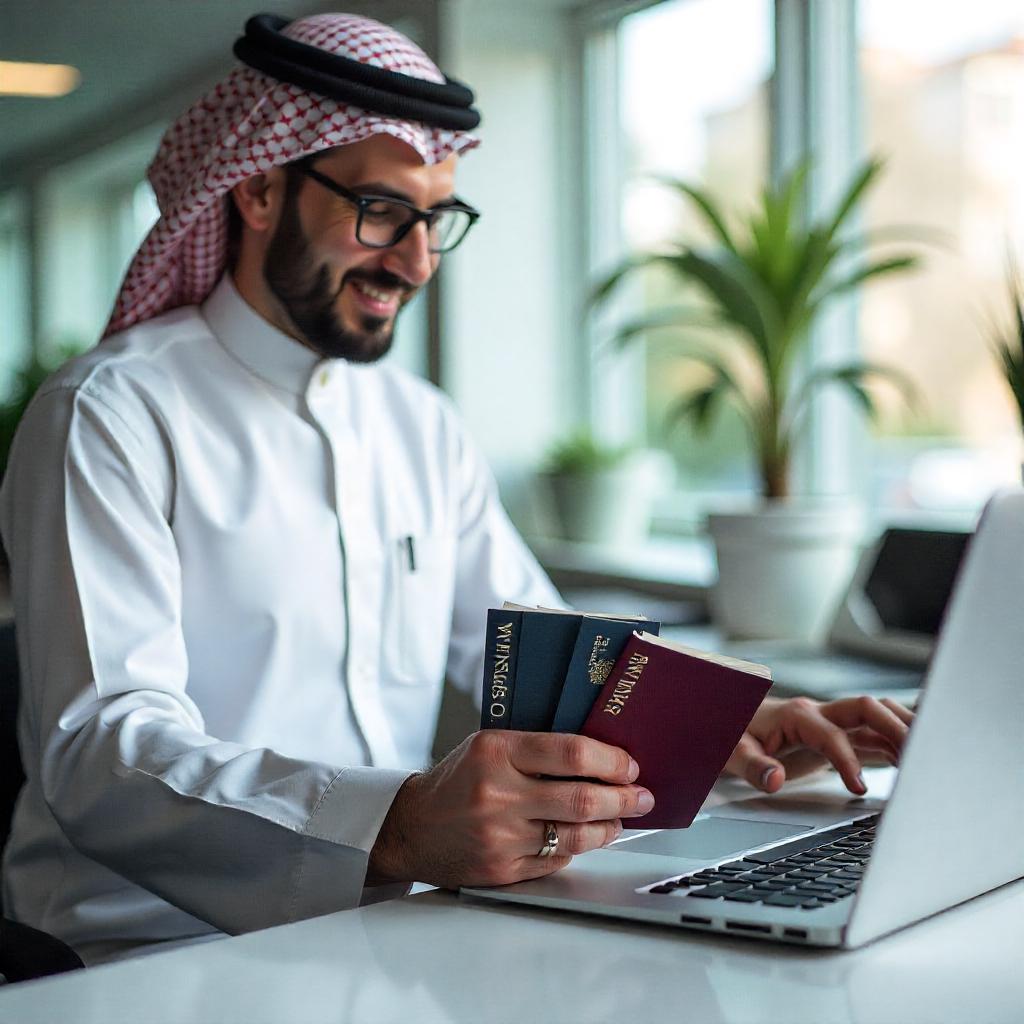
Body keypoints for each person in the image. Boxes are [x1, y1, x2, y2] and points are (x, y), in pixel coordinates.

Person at [0, 12, 912, 965]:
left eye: (436, 219)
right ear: (262, 187)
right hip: (139, 955)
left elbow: (550, 660)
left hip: (382, 927)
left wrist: (731, 728)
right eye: (383, 211)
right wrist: (394, 824)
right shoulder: (109, 413)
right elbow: (103, 751)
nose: (417, 260)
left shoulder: (420, 426)